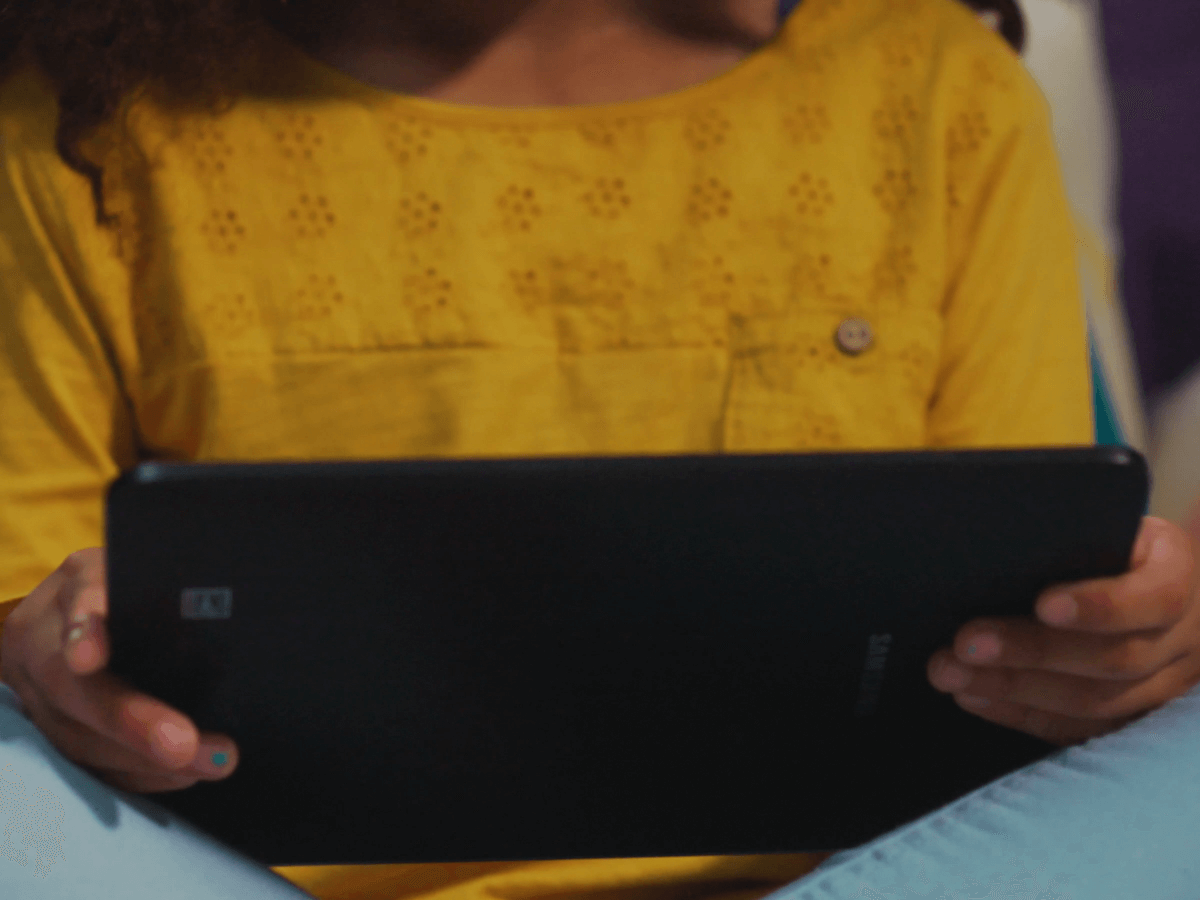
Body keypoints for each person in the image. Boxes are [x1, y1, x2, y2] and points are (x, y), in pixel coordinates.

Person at [0, 0, 1197, 898]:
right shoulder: (76, 123)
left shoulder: (934, 84)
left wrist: (1123, 656)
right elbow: (26, 597)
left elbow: (1025, 617)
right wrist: (52, 651)